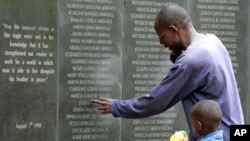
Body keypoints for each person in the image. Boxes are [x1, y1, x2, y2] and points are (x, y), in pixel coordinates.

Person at [91, 5, 244, 141]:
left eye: (161, 37)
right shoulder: (213, 41)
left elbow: (156, 102)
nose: (161, 43)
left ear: (173, 30)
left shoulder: (190, 61)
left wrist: (117, 106)